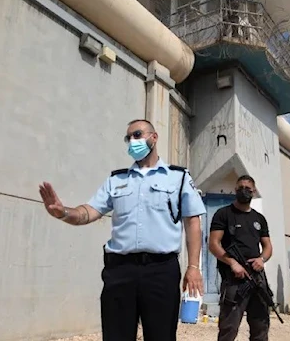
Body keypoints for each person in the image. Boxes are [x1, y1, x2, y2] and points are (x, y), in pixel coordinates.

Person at [38, 119, 206, 341]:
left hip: (161, 271)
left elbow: (192, 222)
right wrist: (63, 213)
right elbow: (89, 211)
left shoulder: (178, 177)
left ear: (153, 137)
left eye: (137, 134)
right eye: (128, 138)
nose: (132, 141)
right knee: (116, 336)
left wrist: (193, 267)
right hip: (120, 270)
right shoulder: (116, 180)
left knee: (161, 336)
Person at [208, 175, 273, 341]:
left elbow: (267, 247)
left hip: (257, 278)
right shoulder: (223, 214)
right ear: (235, 190)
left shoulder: (259, 218)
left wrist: (261, 259)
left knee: (261, 325)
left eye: (248, 189)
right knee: (228, 328)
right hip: (234, 279)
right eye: (240, 188)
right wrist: (232, 263)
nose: (244, 191)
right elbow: (214, 244)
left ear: (254, 191)